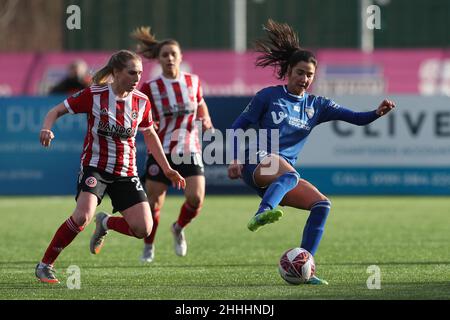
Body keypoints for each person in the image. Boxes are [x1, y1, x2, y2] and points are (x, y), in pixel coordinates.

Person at [227, 20, 395, 285]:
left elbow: (356, 118)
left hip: (281, 178)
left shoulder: (317, 105)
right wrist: (235, 158)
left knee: (322, 205)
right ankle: (262, 211)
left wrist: (376, 113)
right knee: (291, 175)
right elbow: (238, 126)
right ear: (288, 72)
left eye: (309, 75)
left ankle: (305, 268)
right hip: (256, 161)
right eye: (300, 73)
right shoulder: (268, 96)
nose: (304, 79)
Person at [35, 50, 186, 283]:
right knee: (82, 216)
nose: (137, 78)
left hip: (126, 172)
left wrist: (167, 168)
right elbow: (56, 110)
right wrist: (47, 127)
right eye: (132, 72)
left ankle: (106, 222)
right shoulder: (94, 94)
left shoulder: (141, 102)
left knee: (144, 229)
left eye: (140, 73)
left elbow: (150, 135)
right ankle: (45, 265)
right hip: (95, 167)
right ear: (116, 72)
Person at [131, 26, 214, 263]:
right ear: (158, 58)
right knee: (154, 202)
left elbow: (200, 104)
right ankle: (149, 246)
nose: (169, 58)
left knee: (196, 198)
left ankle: (178, 227)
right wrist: (149, 122)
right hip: (162, 151)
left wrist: (205, 117)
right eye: (164, 54)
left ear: (180, 57)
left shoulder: (193, 81)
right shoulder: (149, 88)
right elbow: (139, 114)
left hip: (189, 149)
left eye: (173, 54)